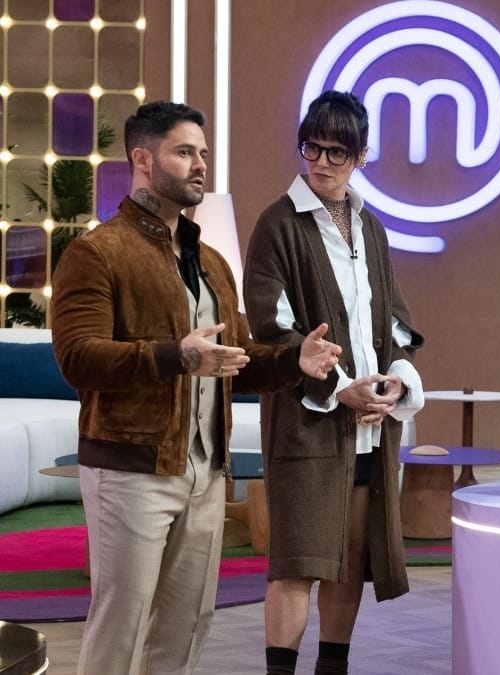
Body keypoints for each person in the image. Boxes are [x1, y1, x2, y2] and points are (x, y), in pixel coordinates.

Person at [50, 101, 342, 675]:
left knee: (187, 626)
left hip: (206, 474)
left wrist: (294, 361)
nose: (200, 164)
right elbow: (78, 358)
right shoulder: (96, 252)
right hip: (131, 469)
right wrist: (177, 356)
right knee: (120, 625)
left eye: (202, 153)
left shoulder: (211, 261)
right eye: (184, 152)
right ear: (142, 159)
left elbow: (234, 361)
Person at [243, 90, 425, 675]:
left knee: (348, 560)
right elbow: (272, 327)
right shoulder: (277, 224)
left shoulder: (371, 227)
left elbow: (392, 321)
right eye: (312, 148)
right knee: (297, 563)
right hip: (307, 425)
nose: (321, 162)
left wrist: (394, 382)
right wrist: (339, 385)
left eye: (337, 152)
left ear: (362, 155)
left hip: (368, 429)